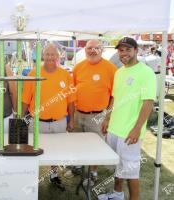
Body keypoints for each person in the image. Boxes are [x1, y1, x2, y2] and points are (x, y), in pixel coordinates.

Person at [99, 37, 156, 200]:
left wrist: (137, 128)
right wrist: (106, 118)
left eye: (128, 50)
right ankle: (117, 194)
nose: (124, 53)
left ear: (136, 50)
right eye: (121, 50)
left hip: (129, 131)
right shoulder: (119, 72)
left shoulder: (146, 73)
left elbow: (148, 102)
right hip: (114, 129)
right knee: (119, 166)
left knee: (131, 171)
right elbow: (115, 98)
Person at [22, 43, 75, 191]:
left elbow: (71, 100)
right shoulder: (33, 74)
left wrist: (72, 120)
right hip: (37, 122)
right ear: (42, 56)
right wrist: (21, 119)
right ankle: (31, 176)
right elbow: (25, 99)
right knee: (33, 150)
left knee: (57, 151)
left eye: (53, 54)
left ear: (58, 57)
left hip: (59, 122)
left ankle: (53, 174)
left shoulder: (65, 74)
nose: (50, 57)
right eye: (48, 54)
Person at [66, 39, 117, 181]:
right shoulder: (78, 67)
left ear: (102, 50)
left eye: (96, 48)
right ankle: (78, 167)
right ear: (85, 50)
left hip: (98, 115)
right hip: (78, 113)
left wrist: (107, 116)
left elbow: (115, 95)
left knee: (96, 145)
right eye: (89, 48)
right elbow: (72, 90)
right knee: (77, 142)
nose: (92, 51)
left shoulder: (111, 68)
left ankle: (93, 172)